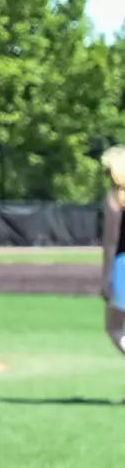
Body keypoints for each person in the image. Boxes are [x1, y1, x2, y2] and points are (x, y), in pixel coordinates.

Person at [102, 145, 125, 359]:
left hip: (123, 265)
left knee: (114, 328)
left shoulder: (114, 199)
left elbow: (111, 243)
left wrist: (106, 279)